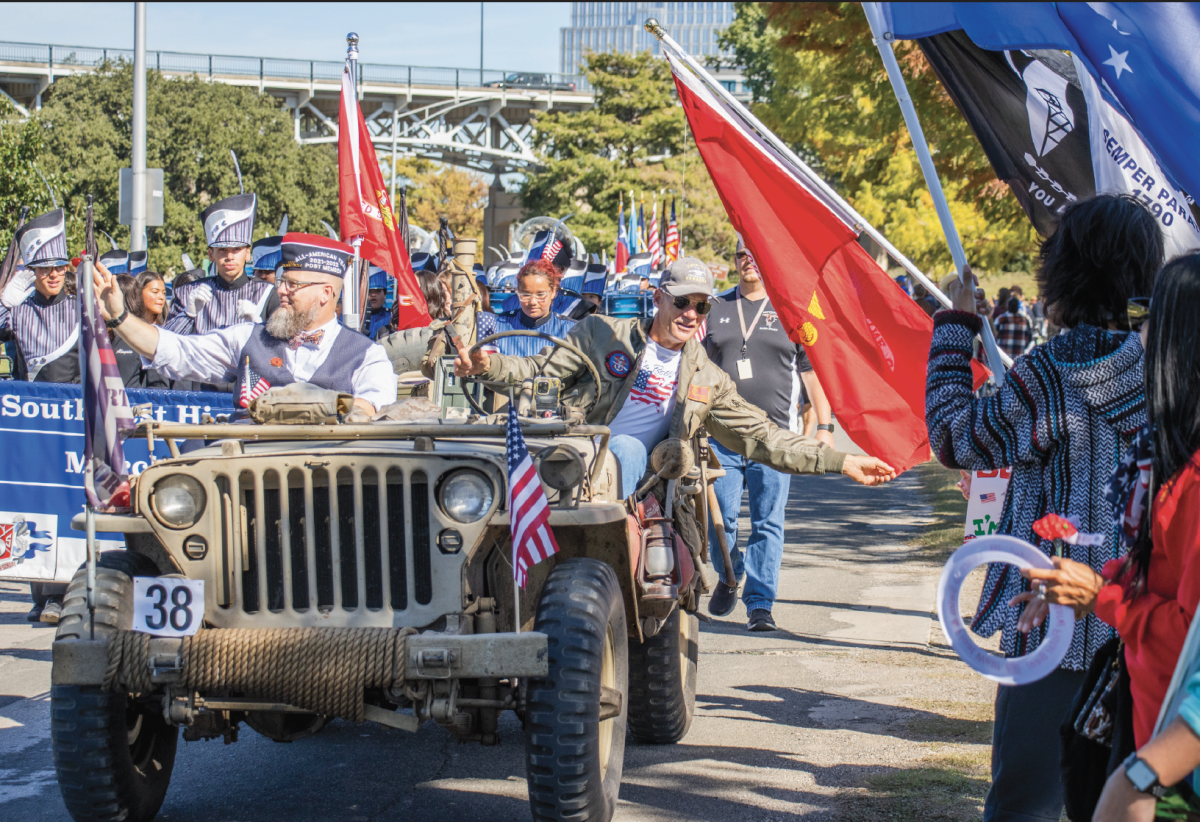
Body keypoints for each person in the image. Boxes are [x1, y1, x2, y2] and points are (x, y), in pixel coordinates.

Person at [926, 194, 1163, 822]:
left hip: (1053, 621)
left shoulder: (1051, 373)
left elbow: (952, 436)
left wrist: (955, 326)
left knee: (1025, 805)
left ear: (1064, 271)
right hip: (1145, 621)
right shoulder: (1167, 370)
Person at [456, 255, 895, 503]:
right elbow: (538, 374)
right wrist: (487, 367)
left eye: (702, 306)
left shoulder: (705, 376)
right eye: (683, 302)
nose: (691, 314)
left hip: (644, 477)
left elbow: (764, 436)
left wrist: (842, 462)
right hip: (573, 451)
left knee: (626, 447)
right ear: (659, 297)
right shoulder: (602, 333)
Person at [1018, 253, 1200, 763]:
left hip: (1174, 760)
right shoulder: (1172, 459)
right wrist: (1079, 583)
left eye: (1146, 317)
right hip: (1151, 731)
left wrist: (1102, 596)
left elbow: (1190, 640)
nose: (1135, 336)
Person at [95, 233, 397, 416]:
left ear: (326, 293)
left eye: (292, 285)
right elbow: (175, 351)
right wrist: (120, 318)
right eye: (281, 282)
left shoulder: (366, 355)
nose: (281, 291)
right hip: (246, 489)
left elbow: (371, 407)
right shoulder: (247, 338)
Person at [702, 238, 835, 631]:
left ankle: (760, 604)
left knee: (768, 522)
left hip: (775, 436)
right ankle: (730, 573)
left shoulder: (791, 310)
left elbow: (812, 375)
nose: (749, 263)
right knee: (717, 520)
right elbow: (697, 368)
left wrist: (824, 428)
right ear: (735, 261)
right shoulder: (716, 308)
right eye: (742, 255)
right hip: (721, 434)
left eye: (756, 256)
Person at [0, 209, 77, 623]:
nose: (52, 275)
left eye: (58, 268)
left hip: (70, 416)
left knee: (64, 502)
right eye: (43, 268)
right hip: (31, 418)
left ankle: (60, 594)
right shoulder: (18, 310)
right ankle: (37, 589)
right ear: (33, 272)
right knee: (30, 502)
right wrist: (2, 297)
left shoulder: (81, 307)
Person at [163, 194, 280, 338]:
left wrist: (257, 323)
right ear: (211, 254)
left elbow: (280, 349)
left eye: (236, 249)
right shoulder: (188, 293)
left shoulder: (269, 294)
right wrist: (188, 314)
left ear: (247, 254)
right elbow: (164, 345)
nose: (229, 257)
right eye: (222, 250)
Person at [476, 259, 577, 357]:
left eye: (541, 294)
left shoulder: (571, 329)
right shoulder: (495, 325)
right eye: (526, 294)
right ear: (518, 292)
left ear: (553, 292)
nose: (533, 302)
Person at [112, 275, 168, 388]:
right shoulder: (98, 333)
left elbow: (158, 385)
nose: (161, 297)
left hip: (133, 403)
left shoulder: (146, 336)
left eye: (163, 292)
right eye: (155, 292)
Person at [994, 295, 1034, 359]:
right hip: (1018, 357)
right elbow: (1029, 338)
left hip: (1002, 357)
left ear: (1008, 306)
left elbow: (994, 334)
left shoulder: (1000, 319)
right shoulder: (1024, 320)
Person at [361, 266, 392, 339]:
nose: (373, 295)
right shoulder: (356, 318)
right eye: (369, 291)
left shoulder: (391, 317)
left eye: (377, 291)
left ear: (385, 294)